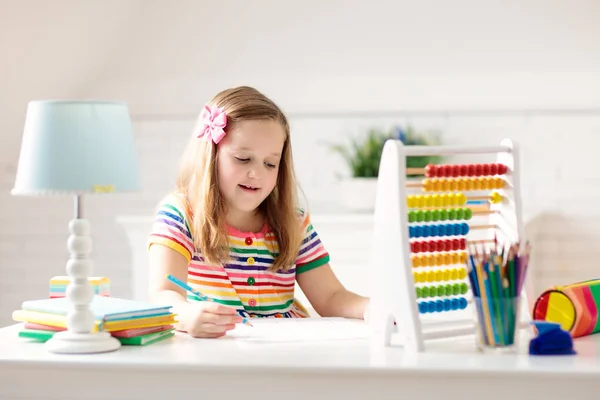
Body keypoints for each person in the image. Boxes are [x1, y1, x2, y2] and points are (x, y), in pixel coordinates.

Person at [147, 86, 369, 338]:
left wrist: (370, 307)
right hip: (215, 348)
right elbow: (163, 294)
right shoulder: (181, 213)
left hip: (285, 350)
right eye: (243, 158)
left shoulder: (293, 222)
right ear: (210, 156)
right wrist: (186, 316)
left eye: (270, 163)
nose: (257, 174)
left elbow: (331, 297)